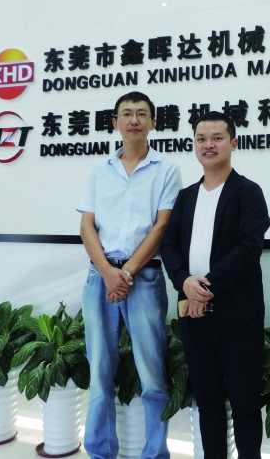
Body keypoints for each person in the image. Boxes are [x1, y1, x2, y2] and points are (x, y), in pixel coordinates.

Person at [77, 91, 182, 459]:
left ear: (153, 122)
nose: (134, 120)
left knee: (152, 376)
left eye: (141, 113)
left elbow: (162, 227)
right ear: (115, 122)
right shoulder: (99, 170)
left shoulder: (166, 169)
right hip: (100, 278)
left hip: (144, 279)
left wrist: (126, 273)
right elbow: (86, 226)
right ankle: (100, 452)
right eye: (126, 113)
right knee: (99, 374)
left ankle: (155, 454)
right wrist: (109, 273)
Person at [161, 111, 270, 459]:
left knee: (244, 403)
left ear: (233, 143)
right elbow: (169, 247)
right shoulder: (185, 197)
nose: (208, 145)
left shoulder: (248, 192)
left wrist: (203, 287)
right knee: (207, 402)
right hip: (195, 319)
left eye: (217, 138)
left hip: (238, 317)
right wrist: (184, 282)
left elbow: (248, 248)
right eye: (201, 139)